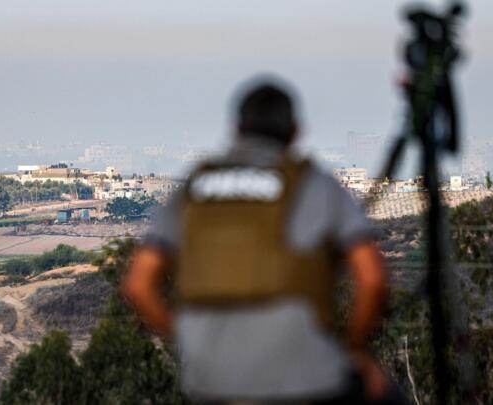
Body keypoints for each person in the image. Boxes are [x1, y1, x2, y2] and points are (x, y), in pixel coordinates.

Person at [124, 78, 404, 404]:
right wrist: (354, 350)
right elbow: (372, 279)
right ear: (296, 131)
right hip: (306, 379)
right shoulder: (314, 184)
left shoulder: (195, 188)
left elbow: (138, 285)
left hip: (212, 381)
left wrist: (186, 342)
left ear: (235, 129)